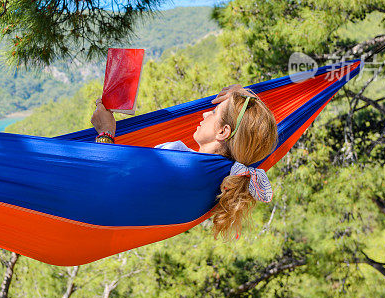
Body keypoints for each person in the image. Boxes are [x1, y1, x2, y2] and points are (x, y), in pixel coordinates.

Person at [91, 84, 278, 239]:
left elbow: (106, 183)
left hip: (92, 212)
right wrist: (243, 98)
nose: (205, 115)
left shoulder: (181, 163)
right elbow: (255, 138)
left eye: (213, 112)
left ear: (223, 132)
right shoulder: (223, 182)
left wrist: (105, 132)